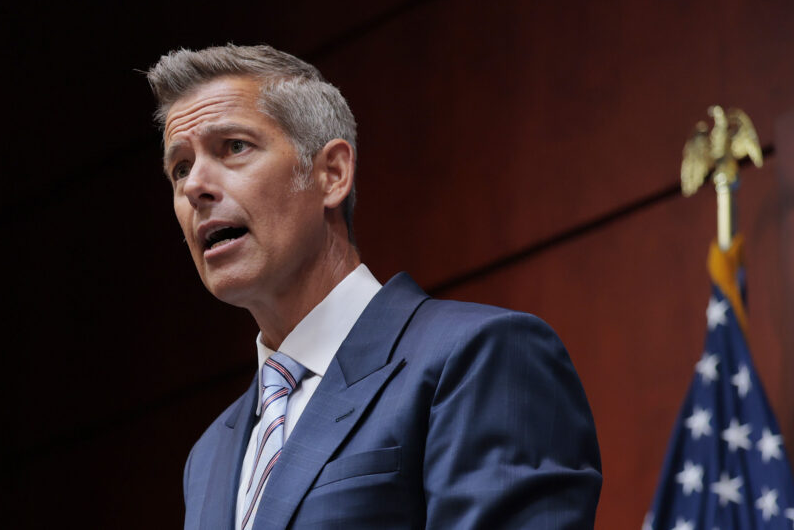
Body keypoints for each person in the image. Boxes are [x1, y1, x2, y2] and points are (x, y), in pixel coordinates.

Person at [146, 44, 602, 530]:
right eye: (180, 168)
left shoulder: (479, 356)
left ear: (332, 174)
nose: (195, 186)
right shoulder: (209, 456)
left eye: (234, 147)